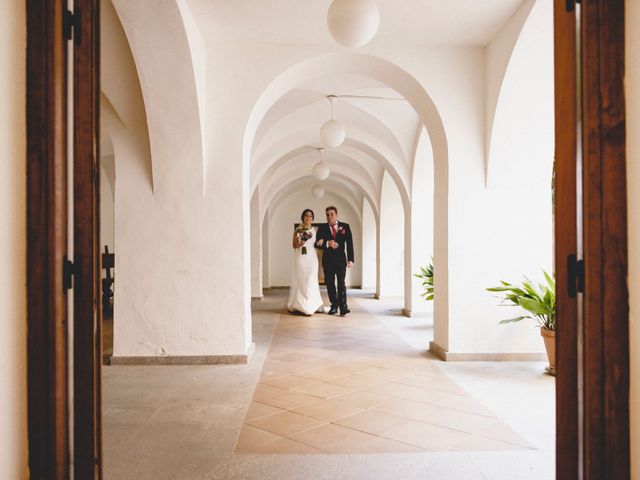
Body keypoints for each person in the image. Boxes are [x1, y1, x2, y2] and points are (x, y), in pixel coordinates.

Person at [315, 206, 354, 316]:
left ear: (336, 215)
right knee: (330, 284)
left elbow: (349, 243)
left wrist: (351, 259)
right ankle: (334, 306)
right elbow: (316, 244)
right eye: (327, 214)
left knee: (341, 283)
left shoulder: (345, 226)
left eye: (331, 214)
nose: (329, 216)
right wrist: (327, 243)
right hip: (327, 261)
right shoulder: (322, 228)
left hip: (341, 260)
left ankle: (343, 306)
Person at [287, 209, 323, 316]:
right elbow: (294, 245)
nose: (309, 217)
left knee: (311, 280)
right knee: (302, 280)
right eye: (306, 215)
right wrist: (301, 243)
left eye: (311, 216)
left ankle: (311, 305)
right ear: (303, 217)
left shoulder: (314, 230)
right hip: (301, 258)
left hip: (311, 258)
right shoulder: (298, 230)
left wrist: (320, 242)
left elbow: (316, 244)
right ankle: (300, 305)